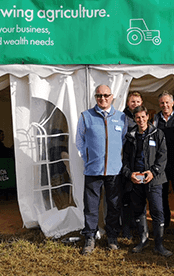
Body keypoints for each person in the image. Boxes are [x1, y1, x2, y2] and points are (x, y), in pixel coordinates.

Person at [76, 84, 127, 255]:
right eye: (99, 96)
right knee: (91, 207)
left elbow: (124, 141)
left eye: (106, 95)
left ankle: (112, 237)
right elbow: (80, 141)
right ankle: (89, 237)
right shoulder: (86, 116)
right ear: (95, 97)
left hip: (114, 171)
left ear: (112, 97)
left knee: (113, 205)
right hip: (93, 171)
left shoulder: (121, 117)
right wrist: (89, 158)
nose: (102, 99)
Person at [121, 106, 172, 257]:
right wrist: (130, 174)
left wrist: (153, 171)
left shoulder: (158, 134)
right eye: (137, 118)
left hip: (154, 179)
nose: (141, 120)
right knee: (139, 210)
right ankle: (143, 240)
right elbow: (124, 160)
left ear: (148, 116)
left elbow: (163, 157)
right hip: (136, 179)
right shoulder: (130, 136)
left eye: (143, 117)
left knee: (157, 211)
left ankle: (159, 244)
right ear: (134, 119)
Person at [152, 91, 174, 233]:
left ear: (172, 103)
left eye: (167, 102)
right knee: (162, 195)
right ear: (159, 104)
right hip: (161, 165)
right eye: (162, 102)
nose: (165, 105)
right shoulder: (155, 120)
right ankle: (165, 223)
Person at [121, 91, 144, 239]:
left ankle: (139, 226)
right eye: (132, 101)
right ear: (128, 103)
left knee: (139, 195)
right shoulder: (122, 117)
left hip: (140, 163)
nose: (135, 104)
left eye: (137, 101)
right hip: (126, 161)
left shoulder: (143, 117)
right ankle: (126, 228)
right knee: (126, 196)